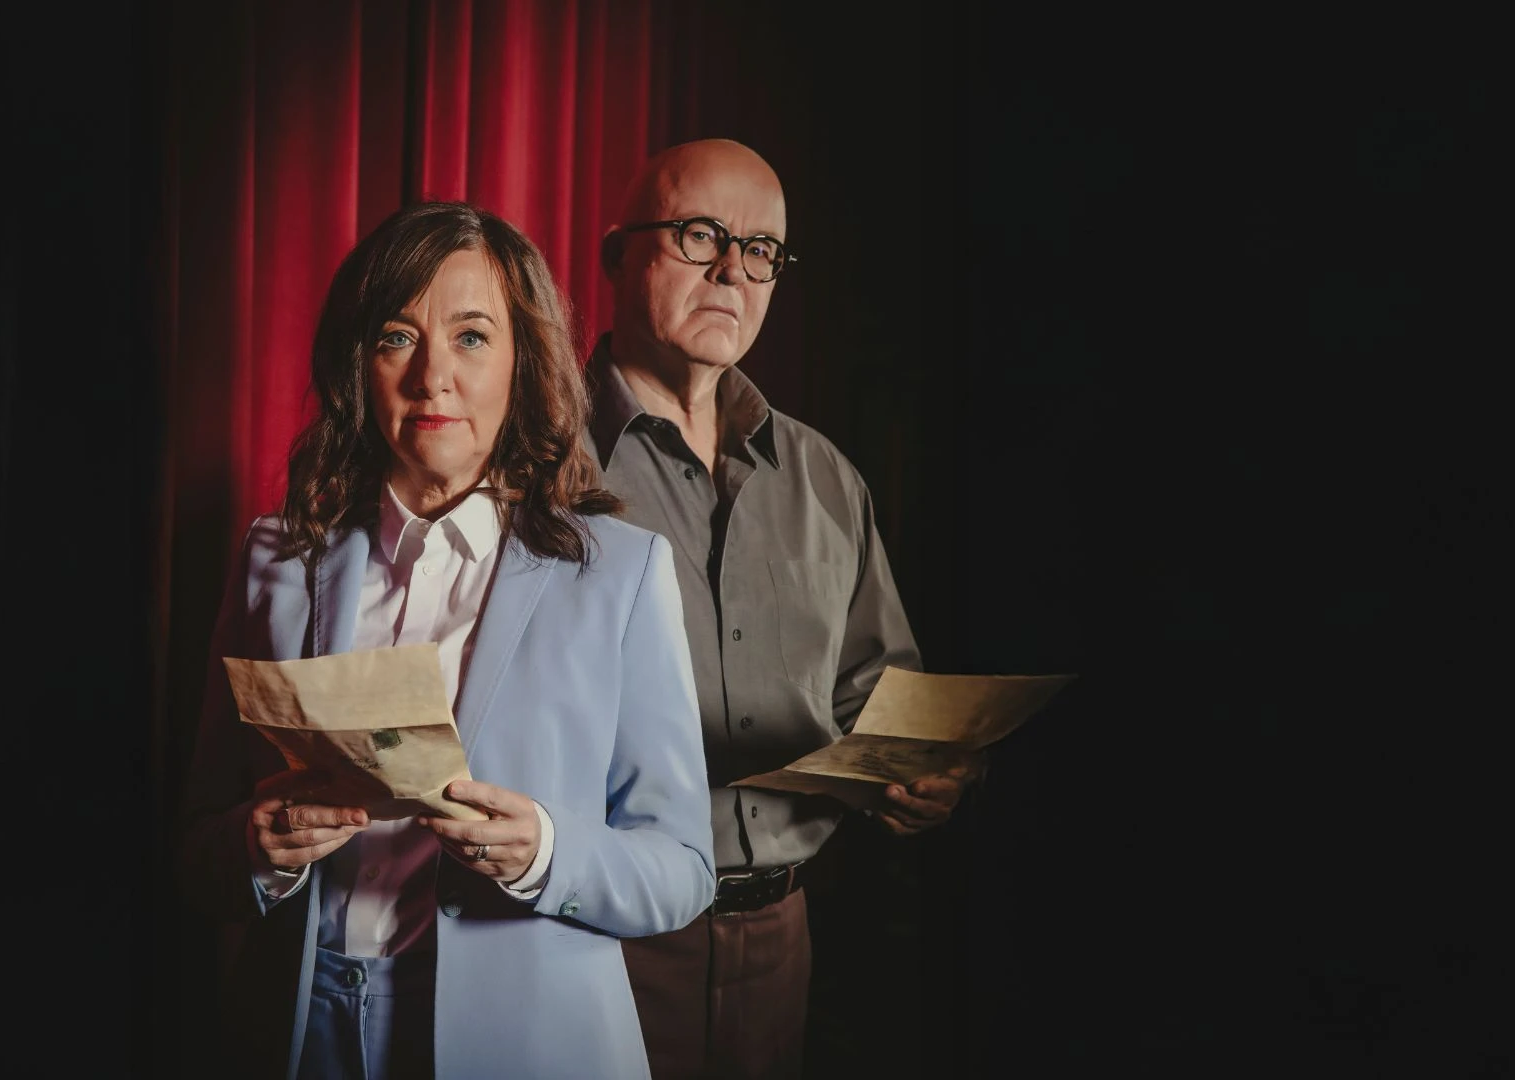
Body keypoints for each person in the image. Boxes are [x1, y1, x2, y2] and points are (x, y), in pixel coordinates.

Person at [178, 200, 716, 1080]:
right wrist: (255, 847)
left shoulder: (621, 574)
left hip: (525, 1044)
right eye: (398, 336)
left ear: (522, 362)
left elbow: (683, 868)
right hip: (297, 1032)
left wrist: (546, 851)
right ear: (359, 362)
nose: (434, 378)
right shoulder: (276, 557)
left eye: (471, 337)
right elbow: (197, 841)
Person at [588, 138, 977, 1078]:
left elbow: (876, 692)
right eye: (700, 235)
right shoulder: (538, 464)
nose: (732, 270)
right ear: (615, 255)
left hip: (781, 938)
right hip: (596, 935)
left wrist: (923, 770)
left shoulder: (824, 477)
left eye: (760, 250)